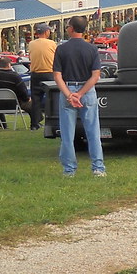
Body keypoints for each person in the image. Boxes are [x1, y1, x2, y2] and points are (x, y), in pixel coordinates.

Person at [52, 15, 106, 177]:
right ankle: (98, 168)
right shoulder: (91, 49)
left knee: (67, 134)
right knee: (93, 132)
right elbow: (96, 75)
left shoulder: (61, 49)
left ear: (72, 28)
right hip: (87, 91)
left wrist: (70, 95)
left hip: (68, 89)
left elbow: (57, 76)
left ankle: (69, 170)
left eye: (68, 26)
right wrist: (81, 93)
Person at [0, 56, 31, 128]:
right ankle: (35, 123)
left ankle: (2, 124)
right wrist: (27, 99)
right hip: (15, 104)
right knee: (33, 104)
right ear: (8, 65)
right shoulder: (15, 76)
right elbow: (23, 91)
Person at [27, 22, 56, 131]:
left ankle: (34, 124)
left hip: (35, 74)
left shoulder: (31, 44)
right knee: (51, 99)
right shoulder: (52, 43)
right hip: (49, 73)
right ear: (46, 32)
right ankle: (52, 121)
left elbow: (30, 57)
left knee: (36, 100)